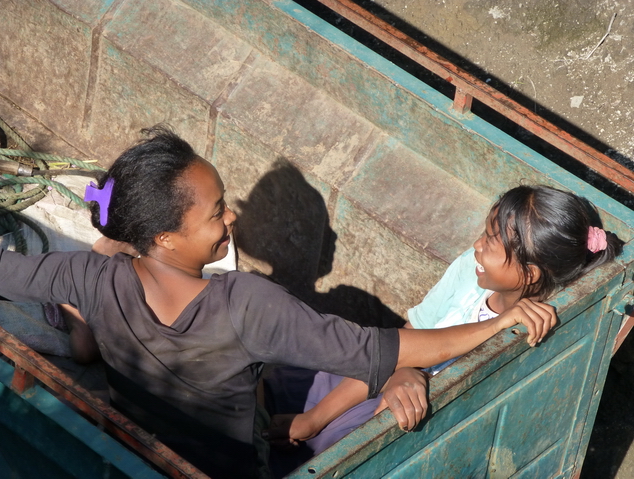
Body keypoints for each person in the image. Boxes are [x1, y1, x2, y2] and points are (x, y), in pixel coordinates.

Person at [0, 126, 555, 478]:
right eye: (216, 213)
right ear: (164, 236)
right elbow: (382, 348)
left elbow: (1, 271)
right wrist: (495, 326)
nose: (231, 218)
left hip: (149, 449)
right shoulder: (246, 303)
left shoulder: (90, 278)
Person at [266, 184, 624, 461]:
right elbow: (403, 340)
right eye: (484, 233)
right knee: (291, 377)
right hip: (389, 374)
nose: (476, 246)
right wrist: (402, 372)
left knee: (329, 448)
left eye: (490, 241)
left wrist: (405, 375)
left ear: (529, 274)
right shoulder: (470, 271)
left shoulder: (534, 331)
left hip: (414, 414)